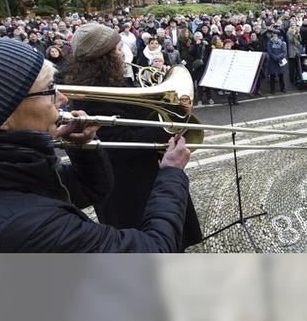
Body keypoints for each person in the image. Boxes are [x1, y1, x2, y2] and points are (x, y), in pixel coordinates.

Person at [0, 31, 192, 253]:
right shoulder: (26, 225)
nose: (63, 99)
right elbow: (152, 251)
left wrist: (81, 149)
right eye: (49, 90)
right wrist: (171, 175)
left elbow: (90, 190)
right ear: (3, 116)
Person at [64, 23, 203, 251]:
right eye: (118, 49)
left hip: (142, 173)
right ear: (105, 58)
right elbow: (122, 141)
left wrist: (165, 98)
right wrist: (171, 125)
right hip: (128, 187)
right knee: (155, 239)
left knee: (169, 230)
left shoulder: (111, 81)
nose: (122, 54)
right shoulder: (90, 95)